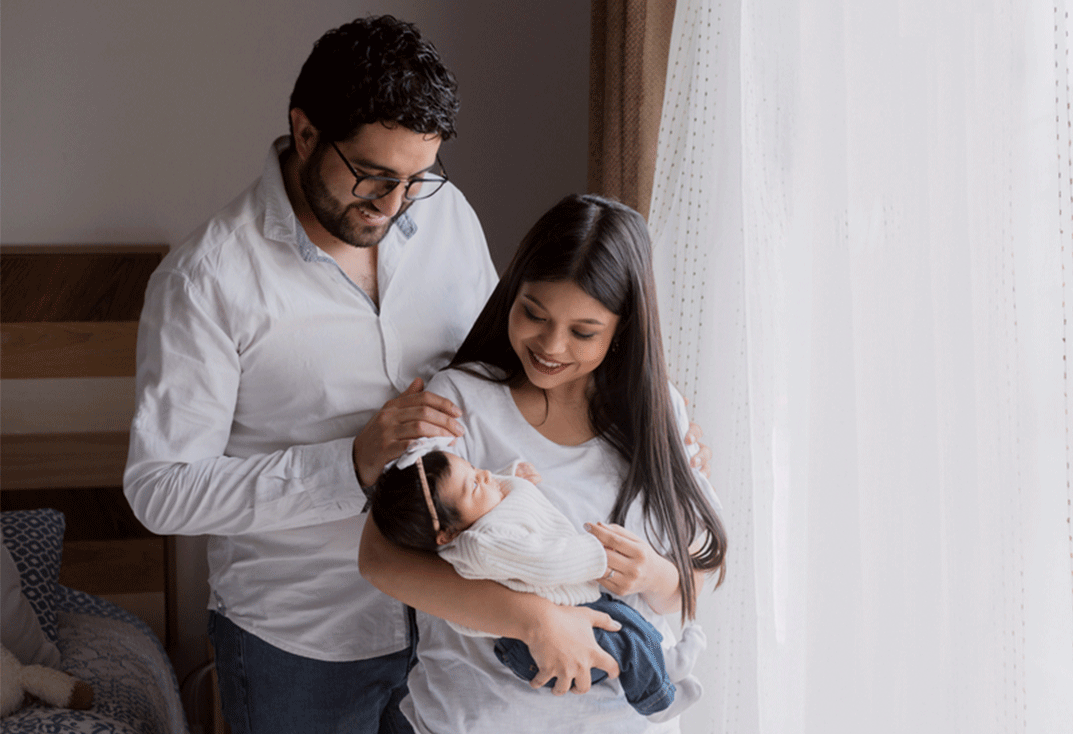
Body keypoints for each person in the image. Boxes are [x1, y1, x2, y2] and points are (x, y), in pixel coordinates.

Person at [124, 16, 500, 734]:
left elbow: (496, 380)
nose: (393, 205)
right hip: (300, 648)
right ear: (304, 133)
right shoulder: (207, 282)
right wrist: (350, 465)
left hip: (456, 617)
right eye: (372, 176)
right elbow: (160, 491)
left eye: (416, 178)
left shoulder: (447, 217)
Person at [359, 193, 728, 733]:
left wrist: (654, 573)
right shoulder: (459, 403)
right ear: (512, 292)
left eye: (584, 332)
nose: (551, 345)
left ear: (623, 329)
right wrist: (536, 621)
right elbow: (382, 559)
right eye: (533, 313)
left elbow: (702, 571)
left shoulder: (656, 413)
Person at [369, 438, 706, 722]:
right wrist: (597, 558)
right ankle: (657, 700)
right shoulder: (484, 544)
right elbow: (546, 561)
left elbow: (490, 495)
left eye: (474, 469)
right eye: (473, 484)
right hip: (531, 649)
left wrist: (511, 475)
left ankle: (665, 661)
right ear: (448, 533)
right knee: (624, 642)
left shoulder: (478, 514)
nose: (485, 475)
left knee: (628, 625)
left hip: (570, 611)